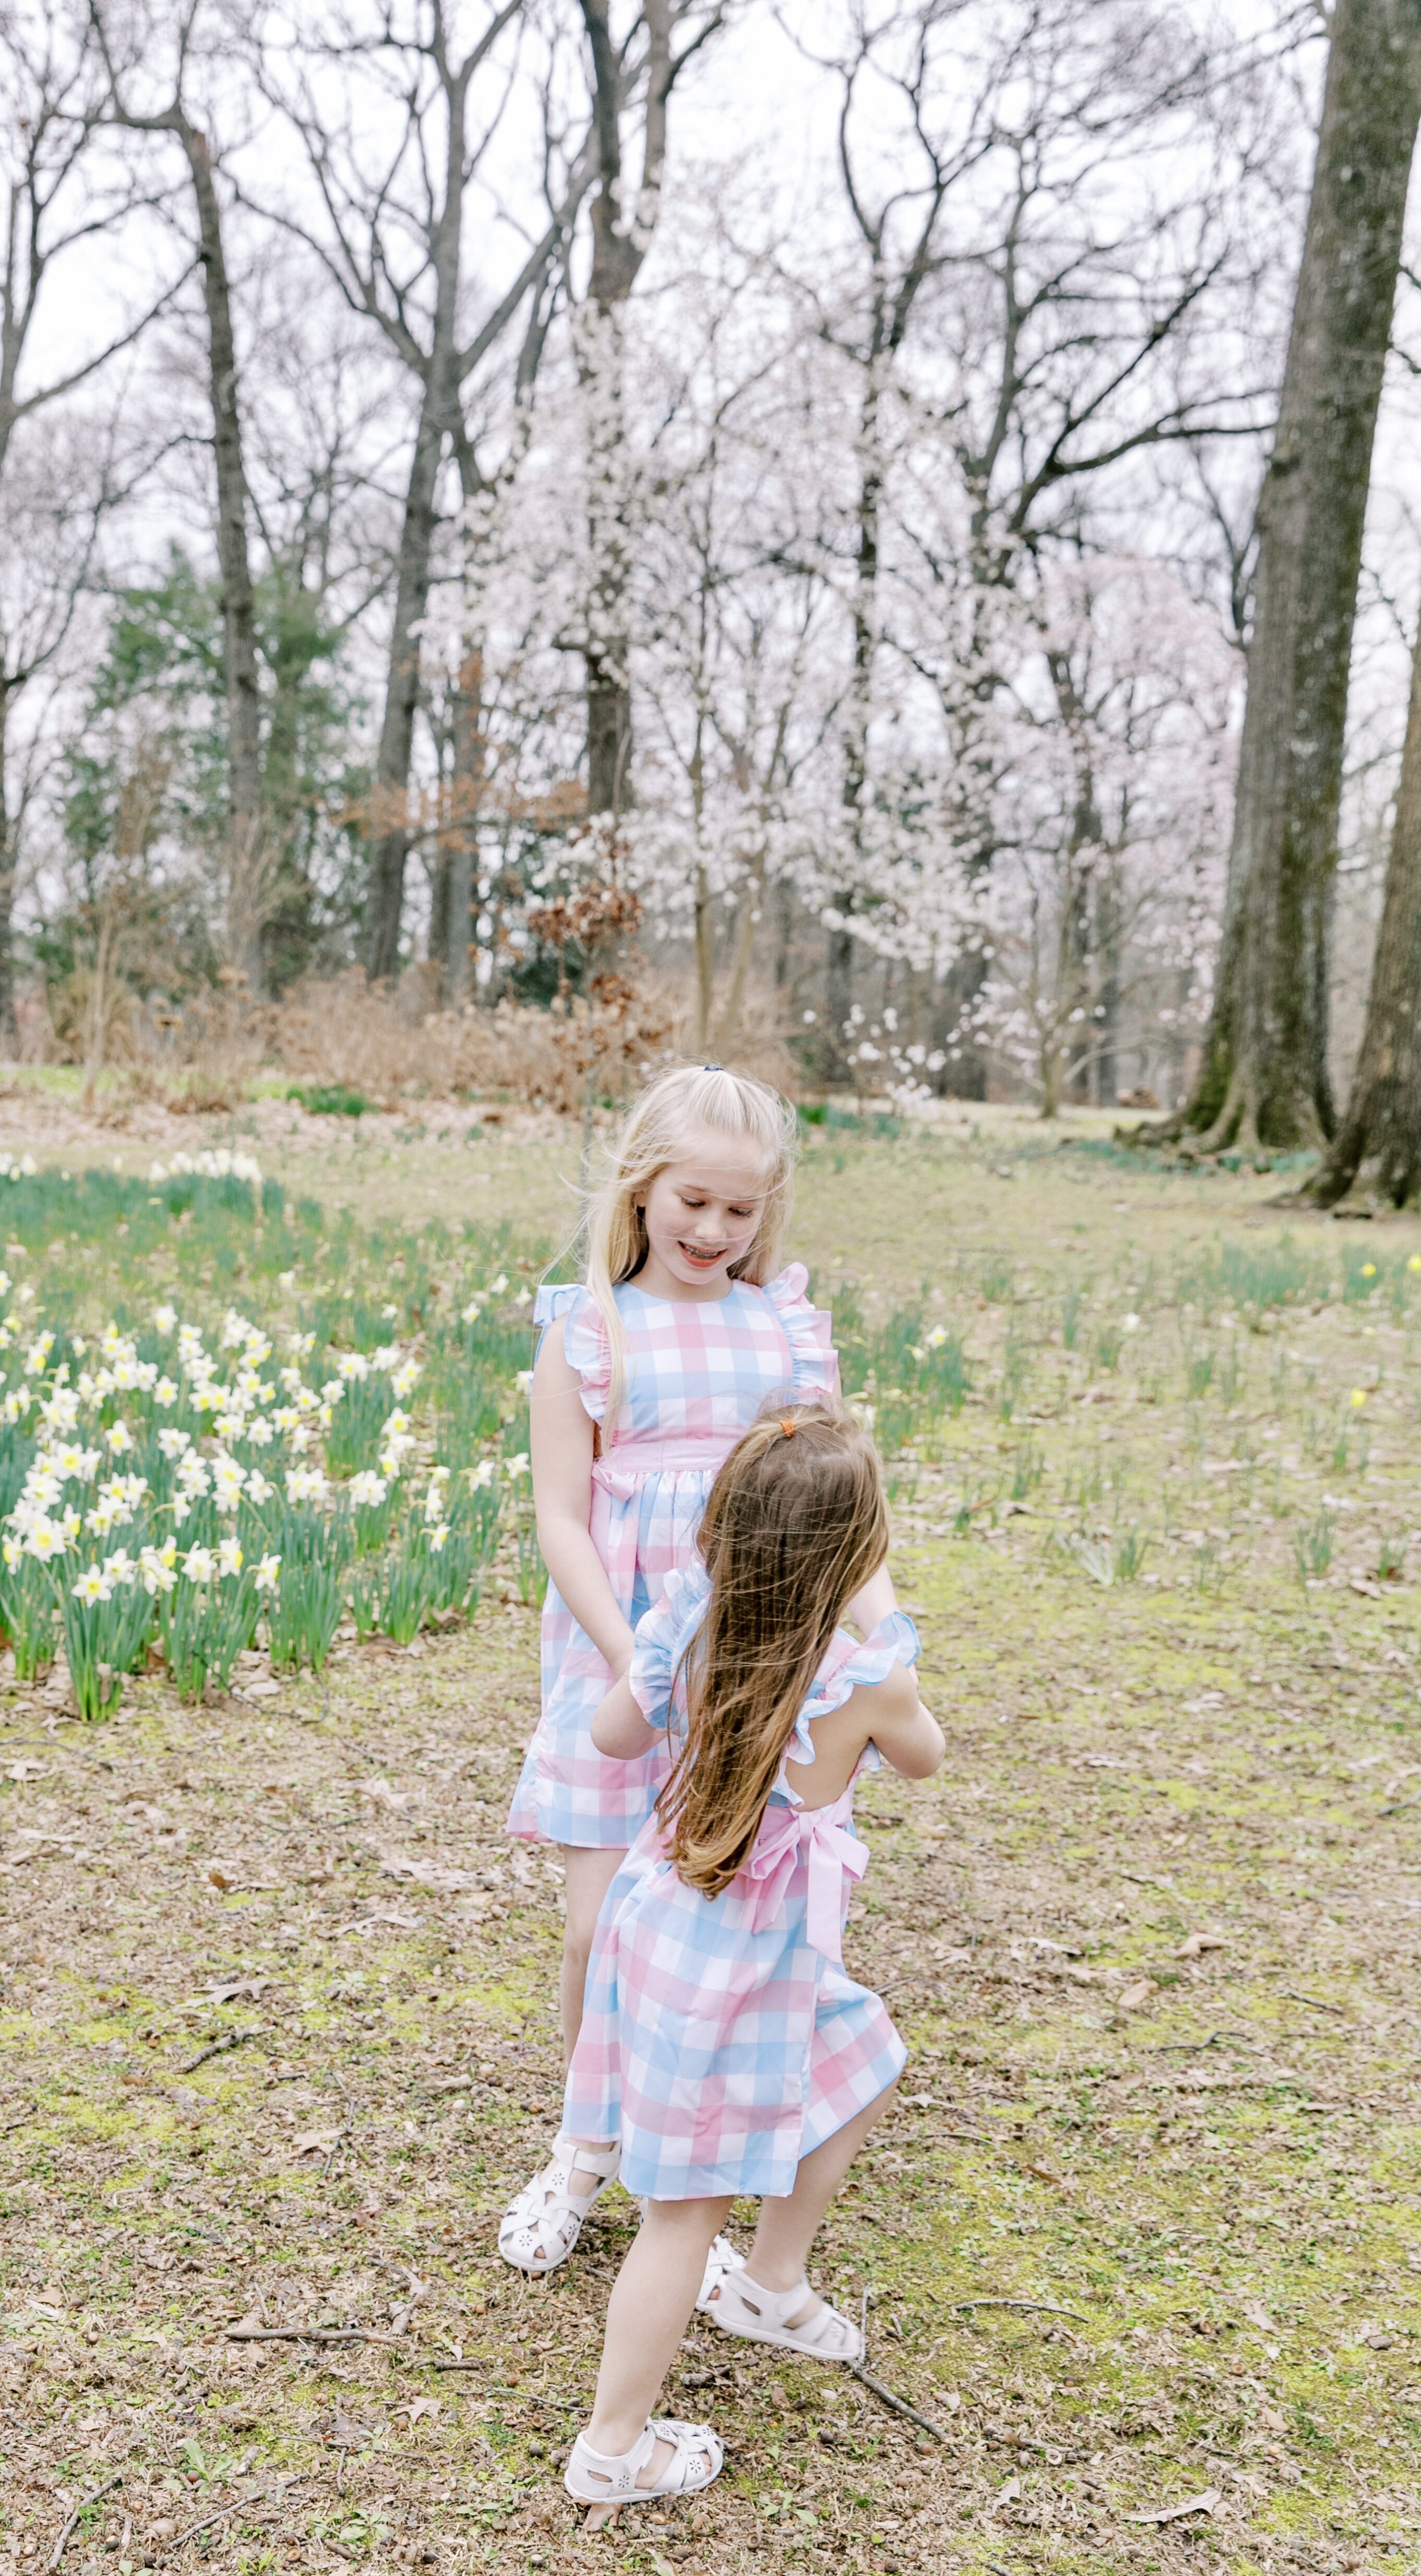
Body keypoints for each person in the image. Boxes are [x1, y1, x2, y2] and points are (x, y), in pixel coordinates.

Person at [499, 1064, 900, 2275]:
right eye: (691, 1202)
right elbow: (561, 1519)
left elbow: (838, 1505)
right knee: (592, 1933)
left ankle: (722, 2139)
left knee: (729, 1920)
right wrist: (634, 1655)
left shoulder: (780, 1328)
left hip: (752, 1667)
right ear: (640, 1187)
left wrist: (879, 1628)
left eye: (737, 1210)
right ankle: (584, 2141)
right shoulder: (589, 1326)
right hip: (620, 1659)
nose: (711, 1231)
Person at [556, 1403, 943, 2513]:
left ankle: (773, 2284)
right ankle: (611, 2446)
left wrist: (661, 1645)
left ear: (720, 1526)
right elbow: (925, 1757)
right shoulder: (862, 1677)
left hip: (669, 1929)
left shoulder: (688, 1628)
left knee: (863, 2058)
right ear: (857, 1553)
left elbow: (610, 1737)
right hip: (739, 1971)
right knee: (682, 2214)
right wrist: (882, 1616)